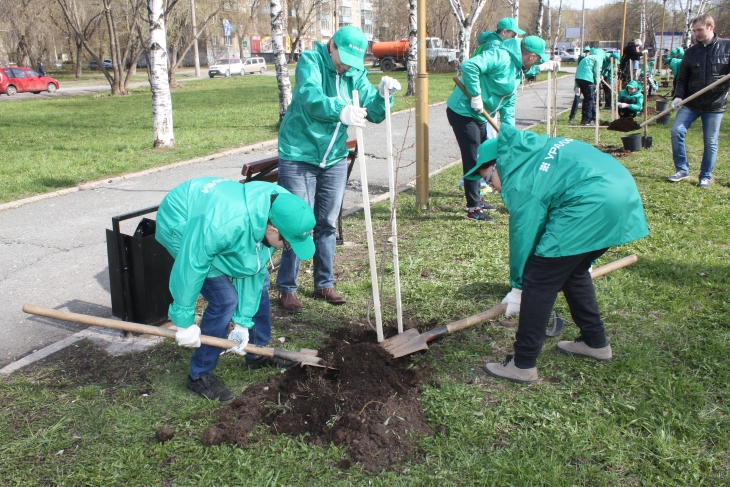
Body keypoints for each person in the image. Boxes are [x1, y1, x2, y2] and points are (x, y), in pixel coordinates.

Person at [462, 125, 649, 384]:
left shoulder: (520, 180)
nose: (491, 187)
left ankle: (523, 364)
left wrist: (519, 286)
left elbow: (524, 236)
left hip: (590, 200)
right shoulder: (538, 149)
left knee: (539, 280)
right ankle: (595, 342)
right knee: (573, 271)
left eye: (488, 178)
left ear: (499, 164)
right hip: (621, 192)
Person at [155, 177, 316, 401]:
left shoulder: (281, 205)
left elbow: (254, 267)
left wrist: (243, 321)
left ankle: (256, 353)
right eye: (287, 243)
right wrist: (184, 321)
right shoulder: (223, 225)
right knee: (225, 299)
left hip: (218, 218)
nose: (287, 248)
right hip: (183, 220)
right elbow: (192, 264)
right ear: (272, 229)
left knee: (260, 285)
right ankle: (199, 375)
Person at [276, 26, 400, 313]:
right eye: (342, 58)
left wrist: (384, 96)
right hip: (299, 153)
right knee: (297, 222)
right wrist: (340, 111)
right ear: (331, 45)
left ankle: (324, 283)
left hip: (333, 157)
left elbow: (375, 112)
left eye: (351, 62)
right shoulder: (312, 61)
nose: (345, 66)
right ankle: (287, 288)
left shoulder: (354, 73)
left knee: (328, 223)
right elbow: (310, 97)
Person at [446, 36, 550, 222]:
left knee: (489, 156)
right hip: (463, 110)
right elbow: (470, 66)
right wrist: (476, 96)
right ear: (532, 56)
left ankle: (479, 197)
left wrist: (508, 135)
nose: (537, 64)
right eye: (538, 59)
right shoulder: (502, 56)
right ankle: (473, 208)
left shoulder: (518, 71)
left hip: (479, 114)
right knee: (475, 158)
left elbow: (508, 103)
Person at [667, 14, 730, 188]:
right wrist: (678, 96)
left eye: (700, 30)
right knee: (676, 131)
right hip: (691, 103)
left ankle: (705, 176)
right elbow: (682, 77)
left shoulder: (727, 48)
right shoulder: (691, 52)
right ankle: (682, 170)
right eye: (694, 31)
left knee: (710, 142)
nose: (697, 34)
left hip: (715, 105)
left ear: (711, 26)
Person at [574, 47, 604, 125]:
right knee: (590, 99)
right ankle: (587, 119)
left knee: (586, 99)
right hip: (587, 78)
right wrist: (598, 82)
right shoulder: (598, 58)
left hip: (579, 78)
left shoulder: (588, 58)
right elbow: (597, 70)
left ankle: (584, 119)